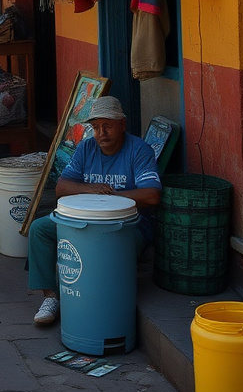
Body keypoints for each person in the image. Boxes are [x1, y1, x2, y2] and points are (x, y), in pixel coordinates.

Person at [28, 95, 161, 326]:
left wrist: (113, 198)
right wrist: (91, 190)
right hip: (84, 219)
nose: (101, 133)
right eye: (96, 127)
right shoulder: (86, 148)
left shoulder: (139, 150)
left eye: (107, 125)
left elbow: (152, 195)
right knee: (40, 229)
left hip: (128, 225)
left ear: (122, 125)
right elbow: (61, 188)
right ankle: (52, 297)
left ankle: (94, 296)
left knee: (103, 244)